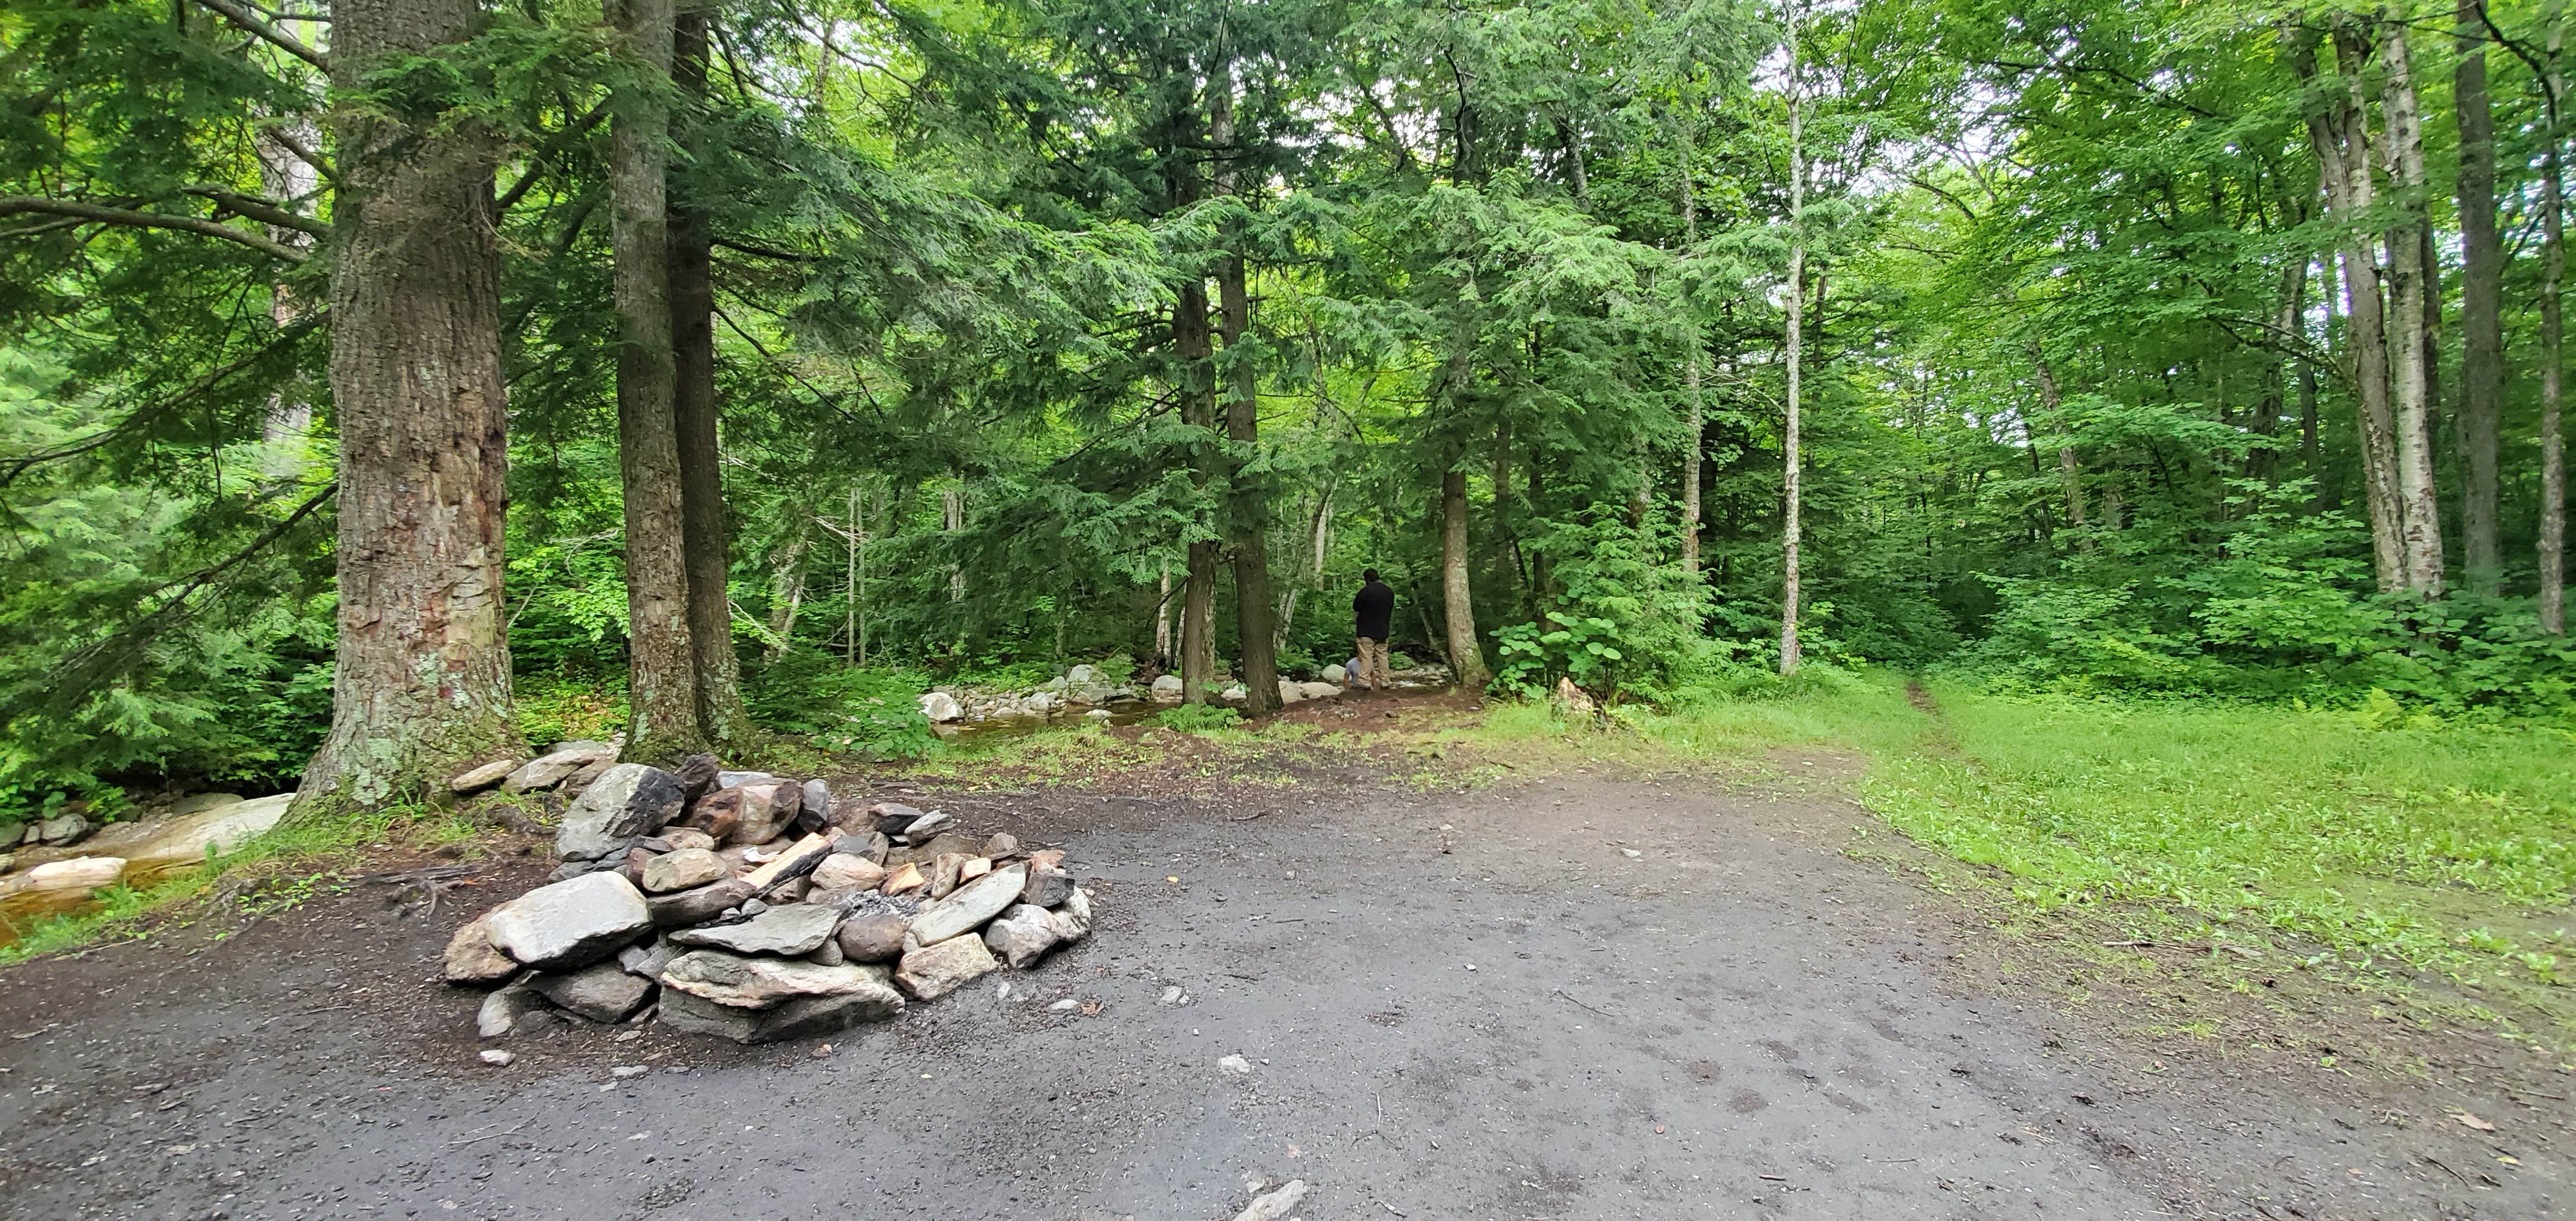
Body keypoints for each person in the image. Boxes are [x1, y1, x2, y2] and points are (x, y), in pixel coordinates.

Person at [1352, 569, 1395, 691]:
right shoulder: (1389, 591)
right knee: (1383, 656)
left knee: (1367, 656)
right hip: (1383, 630)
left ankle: (1364, 682)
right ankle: (1385, 681)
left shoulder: (1365, 592)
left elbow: (1356, 607)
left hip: (1366, 630)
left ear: (1367, 579)